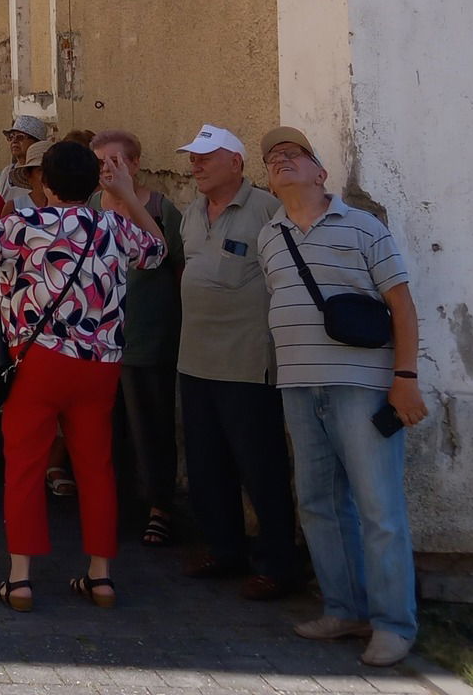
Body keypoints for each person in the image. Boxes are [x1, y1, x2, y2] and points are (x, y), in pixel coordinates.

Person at [0, 138, 167, 612]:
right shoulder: (113, 225)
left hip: (39, 359)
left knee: (26, 465)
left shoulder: (29, 222)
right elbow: (157, 250)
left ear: (45, 183)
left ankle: (21, 578)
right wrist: (129, 195)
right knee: (96, 467)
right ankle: (101, 576)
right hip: (100, 363)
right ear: (94, 184)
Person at [258, 126, 427, 668]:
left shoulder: (362, 228)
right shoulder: (270, 235)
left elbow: (401, 305)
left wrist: (406, 377)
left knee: (379, 508)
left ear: (319, 171)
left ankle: (394, 624)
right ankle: (344, 608)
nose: (282, 161)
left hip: (362, 387)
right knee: (318, 504)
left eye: (293, 154)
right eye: (273, 158)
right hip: (298, 386)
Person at [176, 123, 305, 600]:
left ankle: (278, 562)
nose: (196, 165)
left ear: (236, 162)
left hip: (248, 362)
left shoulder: (268, 211)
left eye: (206, 157)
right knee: (207, 463)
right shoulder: (192, 212)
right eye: (193, 157)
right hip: (195, 358)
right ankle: (224, 548)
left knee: (260, 466)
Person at [93, 129, 185, 547]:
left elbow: (175, 264)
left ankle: (160, 507)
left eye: (114, 162)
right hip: (99, 340)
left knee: (152, 424)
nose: (106, 171)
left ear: (134, 163)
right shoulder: (92, 206)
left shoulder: (162, 208)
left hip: (148, 335)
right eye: (100, 163)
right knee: (106, 427)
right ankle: (115, 503)